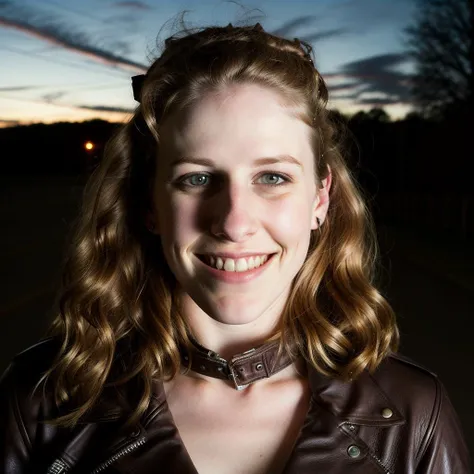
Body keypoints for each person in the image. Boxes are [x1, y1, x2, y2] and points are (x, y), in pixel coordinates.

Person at [0, 23, 471, 474]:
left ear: (319, 199)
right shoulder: (38, 400)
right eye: (197, 179)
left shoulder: (414, 415)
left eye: (272, 177)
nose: (233, 222)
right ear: (150, 204)